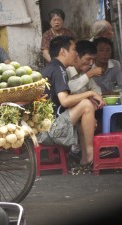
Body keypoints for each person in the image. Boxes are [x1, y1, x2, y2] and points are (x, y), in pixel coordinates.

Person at [40, 35, 105, 173]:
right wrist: (90, 94)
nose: (76, 52)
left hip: (45, 128)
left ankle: (84, 158)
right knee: (86, 105)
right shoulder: (59, 70)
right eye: (74, 49)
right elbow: (65, 100)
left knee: (84, 115)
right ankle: (90, 155)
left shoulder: (52, 68)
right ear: (63, 52)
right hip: (51, 131)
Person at [66, 40, 104, 156]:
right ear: (77, 56)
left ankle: (94, 149)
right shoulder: (66, 71)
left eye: (93, 60)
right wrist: (90, 74)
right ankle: (81, 151)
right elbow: (70, 89)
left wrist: (95, 99)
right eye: (88, 59)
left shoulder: (84, 74)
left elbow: (97, 91)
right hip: (66, 116)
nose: (91, 63)